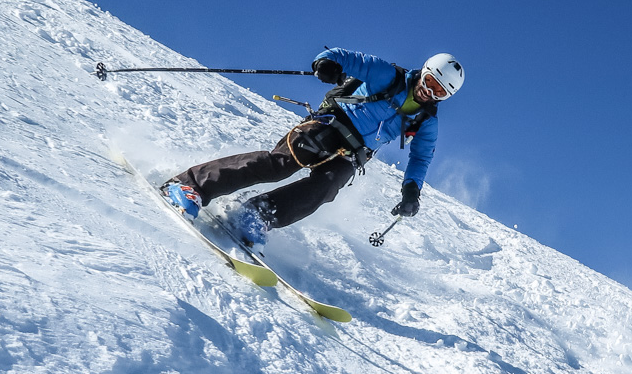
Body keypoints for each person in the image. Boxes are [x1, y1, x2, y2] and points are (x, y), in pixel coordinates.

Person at [163, 48, 464, 245]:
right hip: (331, 124)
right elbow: (346, 57)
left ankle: (256, 216)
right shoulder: (389, 75)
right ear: (423, 71)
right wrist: (327, 63)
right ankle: (190, 185)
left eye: (440, 92)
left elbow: (421, 158)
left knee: (325, 189)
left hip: (354, 152)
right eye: (430, 81)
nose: (430, 92)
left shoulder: (426, 121)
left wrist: (412, 191)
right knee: (281, 163)